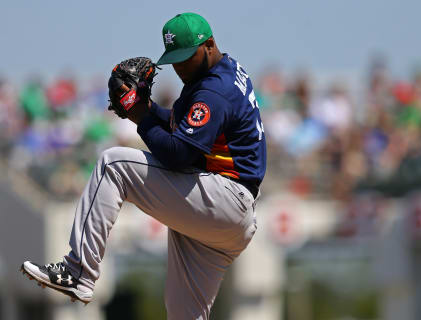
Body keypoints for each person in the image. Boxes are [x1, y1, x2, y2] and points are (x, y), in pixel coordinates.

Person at [20, 12, 266, 319]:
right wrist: (146, 108)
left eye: (186, 57)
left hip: (224, 197)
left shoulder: (214, 91)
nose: (179, 66)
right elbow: (181, 128)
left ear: (210, 45)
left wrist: (141, 117)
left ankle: (79, 271)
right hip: (222, 213)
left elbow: (178, 154)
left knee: (114, 164)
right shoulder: (221, 72)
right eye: (174, 59)